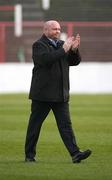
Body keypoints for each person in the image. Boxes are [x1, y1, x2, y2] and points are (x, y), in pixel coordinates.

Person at [25, 20, 92, 163]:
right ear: (46, 30)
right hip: (42, 95)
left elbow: (74, 62)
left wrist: (73, 50)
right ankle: (29, 155)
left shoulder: (62, 45)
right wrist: (64, 49)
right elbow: (46, 60)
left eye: (59, 29)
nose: (57, 31)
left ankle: (75, 153)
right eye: (54, 29)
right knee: (35, 126)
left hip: (60, 94)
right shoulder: (39, 45)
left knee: (66, 126)